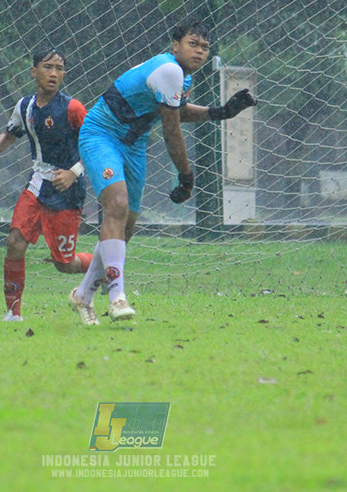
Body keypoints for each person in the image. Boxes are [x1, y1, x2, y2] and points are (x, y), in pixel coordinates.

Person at [68, 19, 257, 325]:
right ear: (175, 45)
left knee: (125, 227)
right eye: (192, 44)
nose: (199, 51)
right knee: (116, 206)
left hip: (133, 144)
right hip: (101, 134)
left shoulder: (181, 78)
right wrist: (186, 174)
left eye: (205, 47)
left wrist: (218, 113)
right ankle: (117, 298)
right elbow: (171, 129)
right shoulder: (169, 70)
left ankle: (82, 297)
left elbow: (178, 112)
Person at [0, 48, 92, 321]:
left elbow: (95, 145)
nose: (54, 73)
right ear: (34, 71)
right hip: (37, 184)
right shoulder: (25, 105)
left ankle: (105, 264)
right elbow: (10, 132)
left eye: (59, 68)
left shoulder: (73, 108)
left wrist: (74, 172)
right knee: (15, 242)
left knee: (64, 264)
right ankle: (12, 313)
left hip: (66, 190)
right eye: (47, 67)